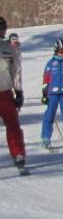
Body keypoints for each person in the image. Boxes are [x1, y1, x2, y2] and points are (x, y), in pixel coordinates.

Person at [0, 17, 27, 174]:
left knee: (13, 125)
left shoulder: (8, 48)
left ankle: (18, 154)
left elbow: (15, 70)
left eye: (4, 28)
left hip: (5, 92)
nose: (3, 31)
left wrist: (18, 91)